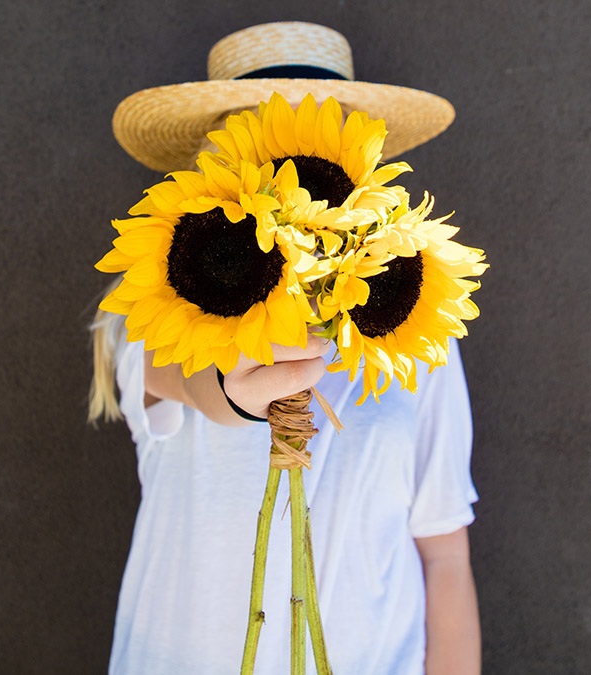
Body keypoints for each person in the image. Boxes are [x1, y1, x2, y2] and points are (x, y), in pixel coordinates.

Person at [91, 22, 482, 675]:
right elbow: (185, 379)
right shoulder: (166, 302)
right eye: (272, 145)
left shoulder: (413, 319)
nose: (296, 184)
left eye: (316, 151)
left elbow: (443, 550)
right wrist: (234, 391)